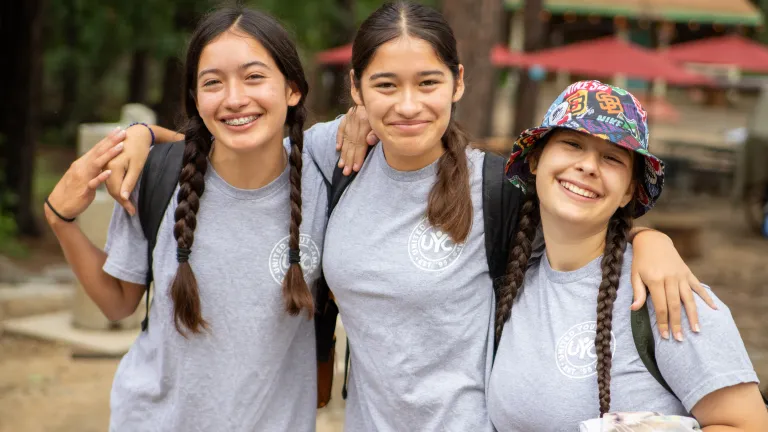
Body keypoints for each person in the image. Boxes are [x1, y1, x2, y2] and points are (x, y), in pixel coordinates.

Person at [105, 3, 714, 430]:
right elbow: (236, 136)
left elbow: (584, 212)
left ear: (458, 82)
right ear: (357, 89)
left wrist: (650, 239)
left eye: (427, 82)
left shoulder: (499, 185)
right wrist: (141, 135)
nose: (407, 104)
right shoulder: (332, 160)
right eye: (386, 85)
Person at [44, 8, 328, 431]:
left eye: (253, 77)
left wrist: (146, 130)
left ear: (293, 89)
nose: (234, 98)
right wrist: (60, 220)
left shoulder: (327, 174)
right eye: (213, 82)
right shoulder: (157, 176)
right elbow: (118, 302)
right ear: (196, 99)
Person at [488, 80, 768, 431]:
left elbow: (749, 424)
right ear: (535, 160)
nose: (588, 166)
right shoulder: (511, 268)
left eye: (612, 158)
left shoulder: (667, 294)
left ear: (628, 193)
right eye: (572, 144)